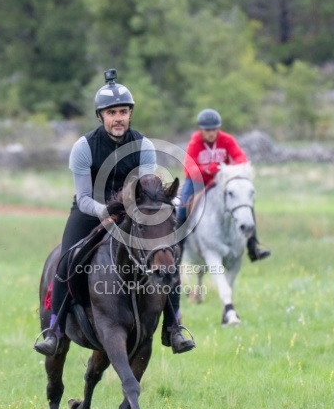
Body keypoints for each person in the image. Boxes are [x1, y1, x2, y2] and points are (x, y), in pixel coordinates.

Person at [34, 68, 195, 356]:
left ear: (130, 114)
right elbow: (83, 197)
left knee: (167, 260)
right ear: (101, 117)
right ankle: (55, 330)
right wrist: (105, 211)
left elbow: (147, 188)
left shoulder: (143, 145)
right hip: (90, 212)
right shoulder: (83, 147)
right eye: (111, 113)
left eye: (123, 111)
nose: (118, 117)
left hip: (133, 214)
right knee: (66, 261)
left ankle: (174, 329)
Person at [178, 108, 271, 261]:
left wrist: (236, 168)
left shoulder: (226, 139)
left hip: (222, 181)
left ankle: (253, 246)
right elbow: (189, 167)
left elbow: (240, 156)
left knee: (245, 203)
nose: (211, 133)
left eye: (214, 129)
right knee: (182, 208)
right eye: (207, 130)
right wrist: (209, 169)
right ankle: (177, 250)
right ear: (201, 130)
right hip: (198, 181)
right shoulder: (195, 142)